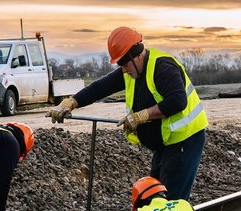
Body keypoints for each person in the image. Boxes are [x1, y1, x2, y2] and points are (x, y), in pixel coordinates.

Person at [48, 26, 208, 200]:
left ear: (136, 55)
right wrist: (71, 102)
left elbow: (177, 101)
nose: (123, 70)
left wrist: (141, 116)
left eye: (124, 64)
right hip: (167, 142)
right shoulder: (132, 69)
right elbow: (100, 87)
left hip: (186, 139)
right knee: (154, 195)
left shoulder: (163, 67)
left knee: (170, 201)